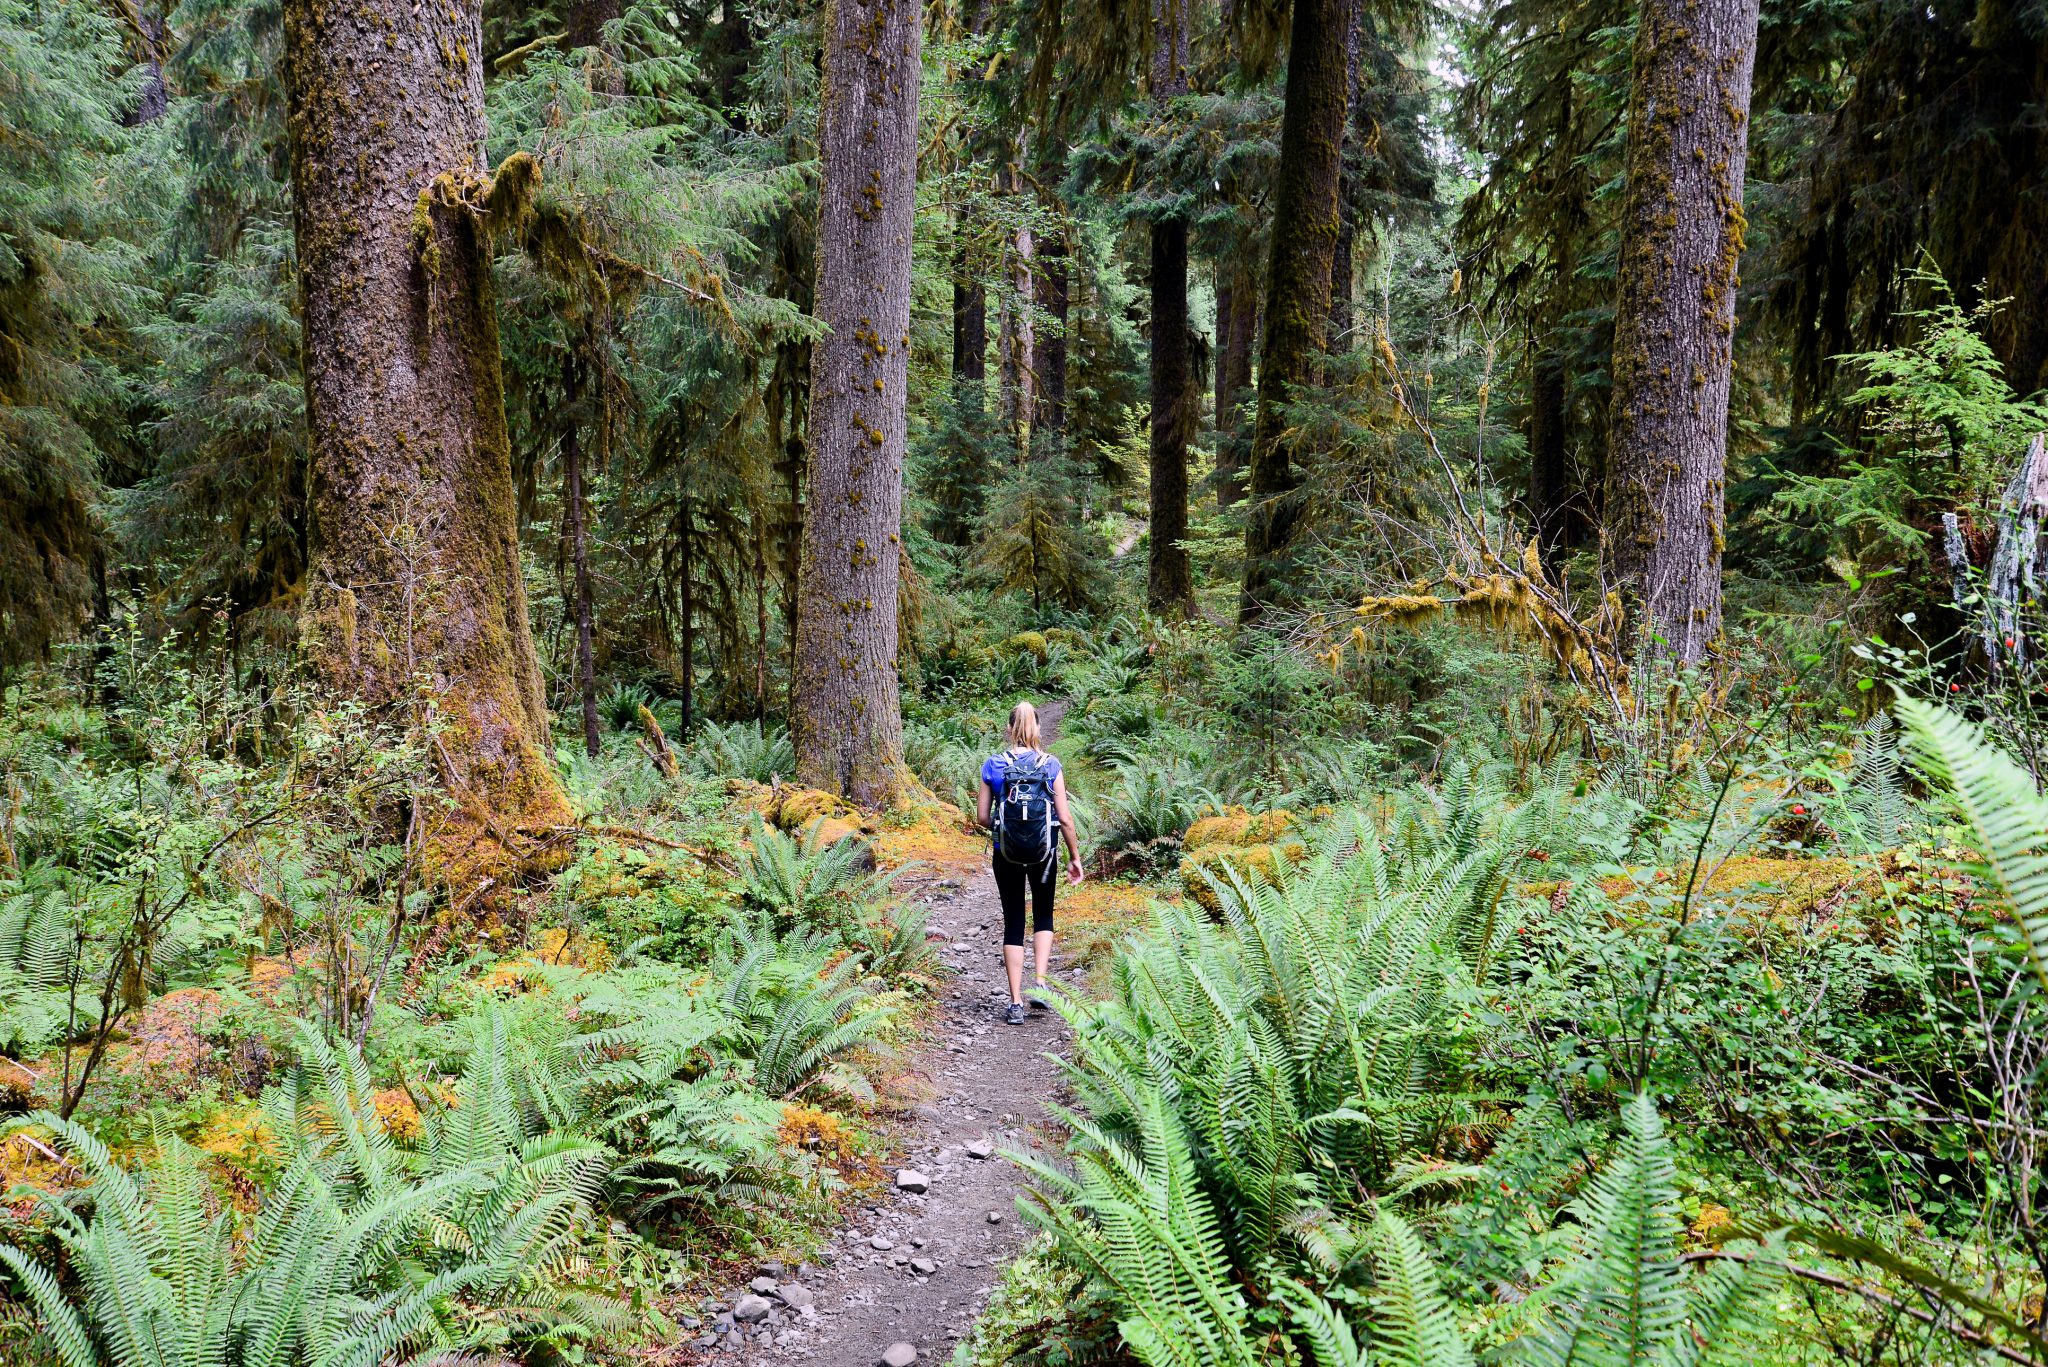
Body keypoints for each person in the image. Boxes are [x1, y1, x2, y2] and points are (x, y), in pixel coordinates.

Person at [976, 701, 1083, 1024]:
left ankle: (1015, 1002)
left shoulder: (993, 766)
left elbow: (982, 817)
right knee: (1043, 914)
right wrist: (1074, 857)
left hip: (1005, 853)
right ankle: (1040, 984)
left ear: (1009, 729)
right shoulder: (1050, 765)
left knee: (1013, 920)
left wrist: (1005, 825)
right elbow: (1064, 818)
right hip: (1044, 852)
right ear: (1037, 728)